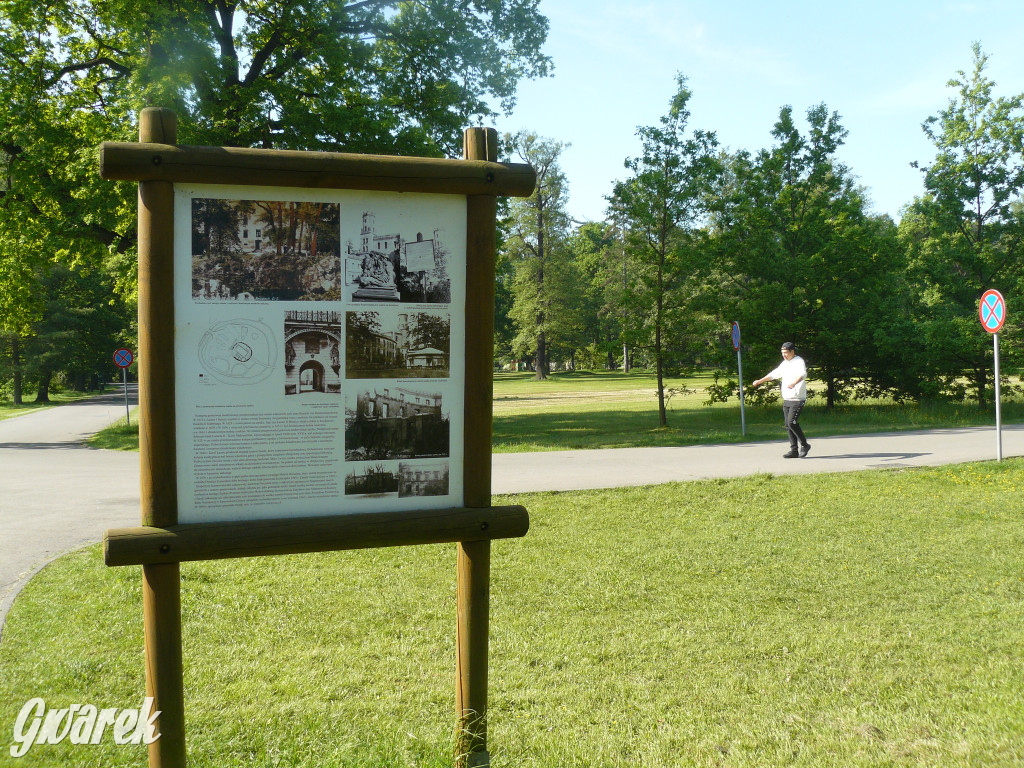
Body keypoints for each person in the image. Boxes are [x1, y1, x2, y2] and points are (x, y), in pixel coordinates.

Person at [751, 341, 810, 458]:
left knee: (791, 422)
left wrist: (794, 383)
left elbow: (803, 374)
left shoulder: (799, 361)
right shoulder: (785, 363)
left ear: (792, 351)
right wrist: (760, 381)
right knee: (788, 425)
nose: (784, 355)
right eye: (782, 353)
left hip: (797, 398)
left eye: (786, 353)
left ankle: (804, 445)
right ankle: (794, 451)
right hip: (787, 398)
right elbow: (774, 374)